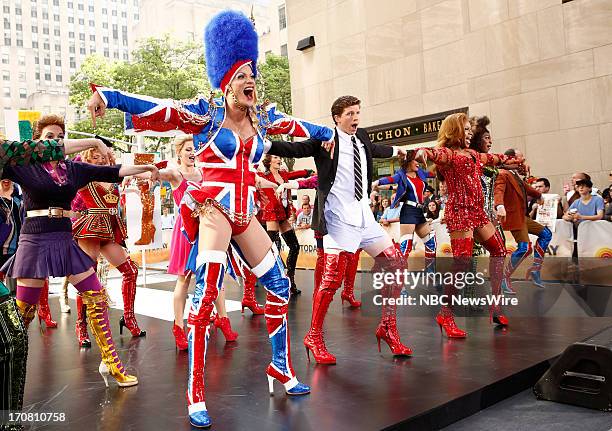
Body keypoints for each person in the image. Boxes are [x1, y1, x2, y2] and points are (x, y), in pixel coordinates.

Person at [86, 10, 332, 427]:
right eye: (241, 75)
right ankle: (195, 393)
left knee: (277, 286)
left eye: (253, 73)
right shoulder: (206, 114)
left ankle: (280, 366)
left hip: (244, 212)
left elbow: (300, 126)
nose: (250, 80)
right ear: (225, 80)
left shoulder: (264, 118)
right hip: (213, 210)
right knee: (204, 300)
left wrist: (328, 134)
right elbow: (160, 109)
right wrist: (109, 96)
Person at [268, 95, 413, 364]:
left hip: (364, 215)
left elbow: (377, 149)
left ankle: (388, 327)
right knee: (331, 279)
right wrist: (263, 145)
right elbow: (296, 150)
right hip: (336, 217)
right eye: (349, 114)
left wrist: (398, 151)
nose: (355, 118)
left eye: (357, 112)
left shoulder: (363, 137)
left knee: (397, 265)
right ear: (336, 117)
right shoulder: (326, 138)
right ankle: (313, 335)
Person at [416, 113, 522, 338]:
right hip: (460, 212)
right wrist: (423, 153)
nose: (469, 133)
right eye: (465, 129)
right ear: (454, 131)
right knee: (462, 263)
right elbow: (433, 152)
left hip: (477, 212)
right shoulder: (449, 155)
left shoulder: (473, 154)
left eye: (470, 130)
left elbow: (492, 158)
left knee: (499, 250)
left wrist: (512, 159)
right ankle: (446, 314)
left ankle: (495, 306)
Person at [0, 136, 81, 426]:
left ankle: (9, 418)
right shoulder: (18, 166)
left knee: (15, 337)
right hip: (30, 244)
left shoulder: (9, 151)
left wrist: (95, 142)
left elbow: (49, 149)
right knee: (16, 328)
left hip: (45, 241)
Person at [157, 135, 244, 350]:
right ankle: (179, 326)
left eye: (194, 148)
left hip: (208, 226)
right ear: (179, 152)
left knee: (216, 276)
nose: (191, 152)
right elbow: (158, 172)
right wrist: (148, 172)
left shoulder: (205, 172)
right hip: (186, 231)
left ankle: (223, 319)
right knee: (184, 279)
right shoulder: (175, 173)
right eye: (187, 149)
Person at [276, 174, 363, 308]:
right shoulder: (322, 175)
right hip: (324, 224)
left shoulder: (347, 177)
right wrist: (285, 185)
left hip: (343, 224)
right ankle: (317, 294)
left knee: (351, 255)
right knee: (322, 259)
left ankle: (347, 292)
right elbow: (303, 183)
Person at [494, 150, 552, 291]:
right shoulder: (502, 174)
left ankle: (535, 270)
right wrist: (499, 205)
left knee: (546, 234)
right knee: (524, 248)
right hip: (515, 218)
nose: (523, 158)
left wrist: (539, 195)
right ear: (512, 158)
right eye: (520, 156)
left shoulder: (513, 174)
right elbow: (498, 191)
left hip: (522, 217)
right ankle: (504, 277)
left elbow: (526, 188)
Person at [258, 154, 312, 295]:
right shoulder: (263, 175)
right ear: (269, 161)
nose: (279, 159)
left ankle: (290, 279)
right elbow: (252, 179)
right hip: (271, 213)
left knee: (294, 246)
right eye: (275, 157)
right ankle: (279, 280)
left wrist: (309, 172)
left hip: (283, 212)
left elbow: (296, 174)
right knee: (275, 248)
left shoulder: (283, 174)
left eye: (279, 157)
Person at [372, 151, 437, 270]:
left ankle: (430, 273)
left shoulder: (421, 173)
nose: (418, 163)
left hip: (419, 212)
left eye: (418, 161)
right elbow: (390, 179)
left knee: (431, 243)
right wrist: (377, 182)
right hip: (409, 211)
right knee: (406, 247)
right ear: (408, 162)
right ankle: (398, 281)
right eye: (415, 160)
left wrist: (430, 161)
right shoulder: (401, 175)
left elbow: (433, 174)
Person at [0, 179, 23, 296]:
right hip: (1, 249)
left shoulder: (20, 194)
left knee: (22, 293)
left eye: (8, 176)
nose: (5, 179)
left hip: (21, 248)